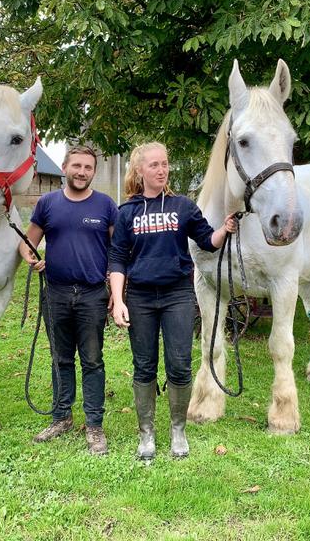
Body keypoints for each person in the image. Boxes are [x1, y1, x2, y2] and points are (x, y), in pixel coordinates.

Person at [108, 142, 237, 459]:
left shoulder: (183, 206)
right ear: (140, 171)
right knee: (144, 366)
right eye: (154, 165)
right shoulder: (127, 212)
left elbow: (207, 242)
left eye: (165, 163)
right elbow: (116, 259)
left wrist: (225, 228)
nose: (161, 169)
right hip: (139, 297)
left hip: (177, 295)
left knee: (179, 365)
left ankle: (178, 431)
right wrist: (117, 300)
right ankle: (146, 434)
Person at [18, 145, 117, 455]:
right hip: (56, 293)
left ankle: (94, 424)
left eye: (88, 167)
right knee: (60, 358)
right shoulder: (48, 203)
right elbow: (27, 242)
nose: (81, 172)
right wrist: (31, 259)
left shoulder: (106, 206)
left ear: (93, 172)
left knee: (92, 360)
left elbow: (118, 251)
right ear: (64, 167)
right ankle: (61, 417)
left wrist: (117, 292)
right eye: (76, 165)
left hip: (92, 294)